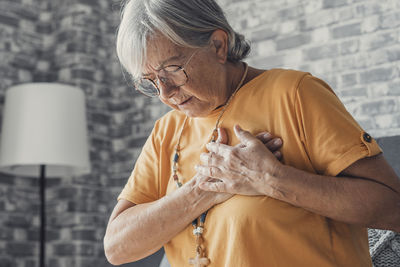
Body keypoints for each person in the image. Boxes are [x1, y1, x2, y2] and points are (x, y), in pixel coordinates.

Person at [104, 0, 400, 266]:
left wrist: (272, 180)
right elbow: (117, 248)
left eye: (173, 69)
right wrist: (203, 189)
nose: (165, 93)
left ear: (218, 45)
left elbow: (392, 207)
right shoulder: (166, 131)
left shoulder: (295, 94)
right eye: (150, 81)